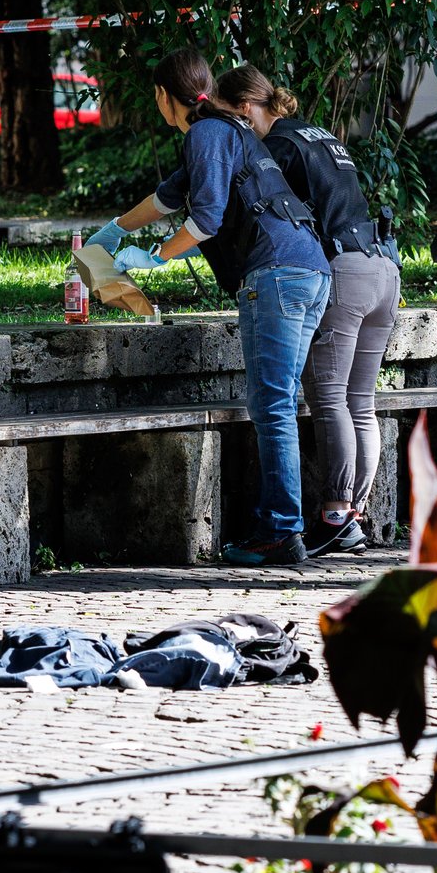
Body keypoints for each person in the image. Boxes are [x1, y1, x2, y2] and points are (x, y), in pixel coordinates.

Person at [86, 48, 332, 567]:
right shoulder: (226, 130)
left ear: (161, 97)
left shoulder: (205, 134)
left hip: (277, 275)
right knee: (280, 401)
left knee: (273, 405)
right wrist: (110, 234)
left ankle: (281, 532)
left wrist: (155, 256)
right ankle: (283, 527)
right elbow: (167, 198)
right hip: (310, 270)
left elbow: (207, 220)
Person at [216, 64, 399, 558]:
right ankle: (352, 516)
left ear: (246, 108)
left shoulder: (276, 145)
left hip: (342, 269)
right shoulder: (320, 134)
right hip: (383, 266)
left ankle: (337, 515)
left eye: (234, 118)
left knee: (329, 397)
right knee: (361, 400)